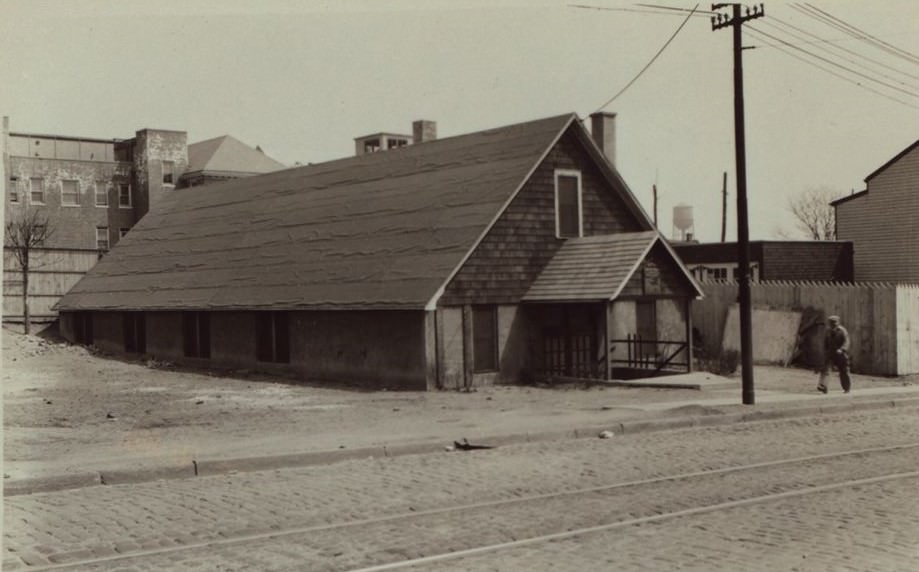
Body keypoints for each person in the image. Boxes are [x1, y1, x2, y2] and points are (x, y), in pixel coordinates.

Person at [818, 315, 851, 394]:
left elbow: (847, 341)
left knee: (844, 371)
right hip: (830, 353)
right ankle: (823, 386)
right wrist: (825, 351)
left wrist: (842, 349)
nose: (833, 325)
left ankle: (846, 387)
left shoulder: (842, 331)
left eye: (834, 323)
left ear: (838, 323)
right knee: (826, 369)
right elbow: (826, 342)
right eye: (831, 323)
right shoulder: (828, 331)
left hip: (840, 354)